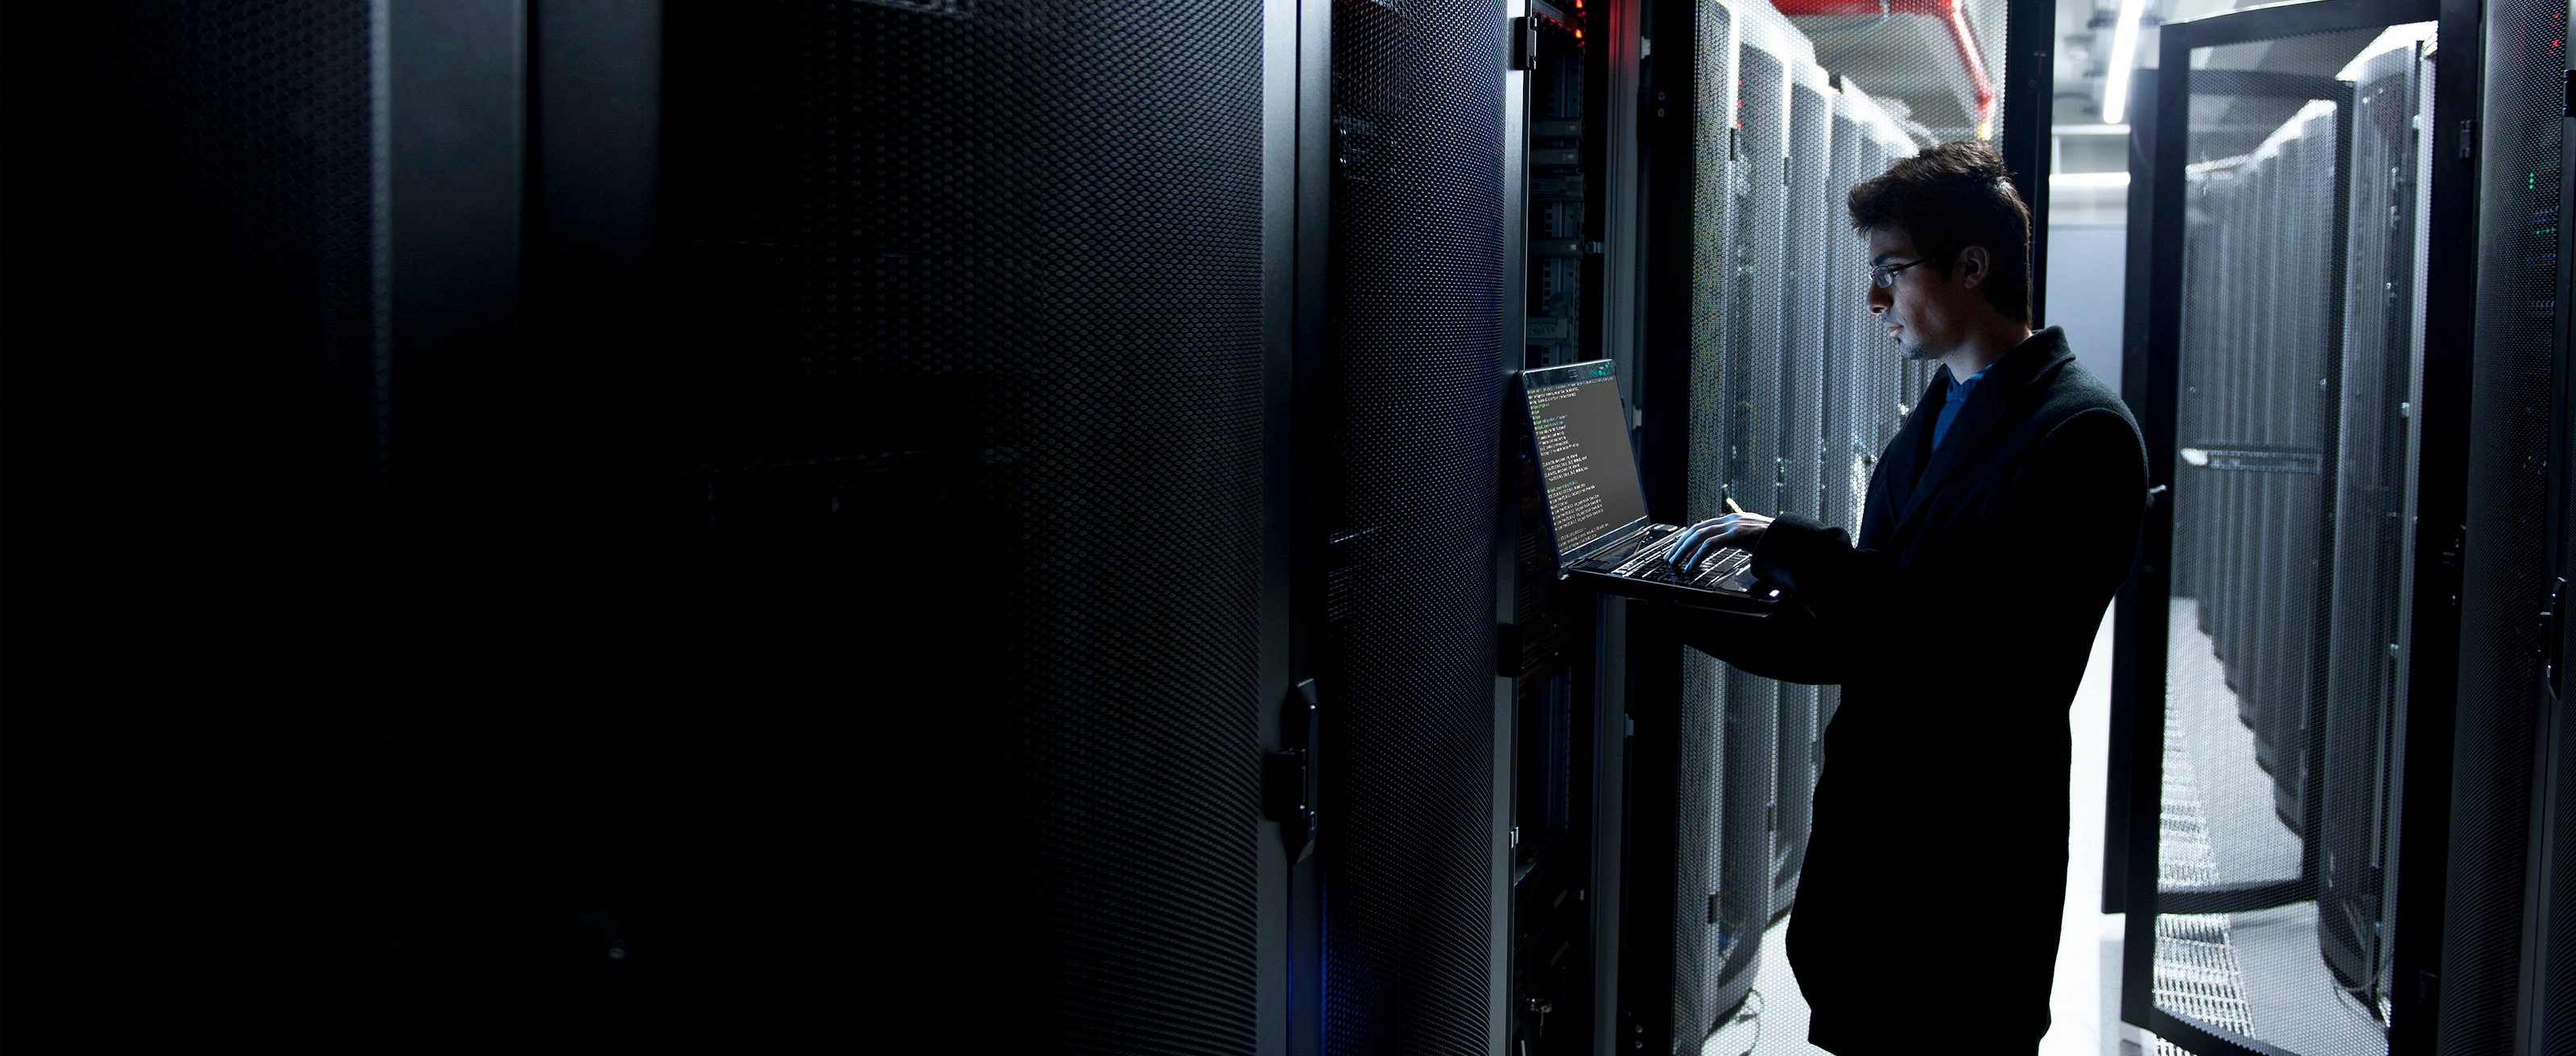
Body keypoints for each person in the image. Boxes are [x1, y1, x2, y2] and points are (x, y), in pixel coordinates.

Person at [1658, 141, 2148, 1054]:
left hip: (1966, 865)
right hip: (1875, 855)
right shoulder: (1933, 416)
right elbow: (1851, 639)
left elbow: (1967, 647)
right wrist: (1665, 598)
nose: (1874, 297)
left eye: (1889, 270)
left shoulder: (2081, 436)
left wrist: (1794, 546)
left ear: (1971, 265)